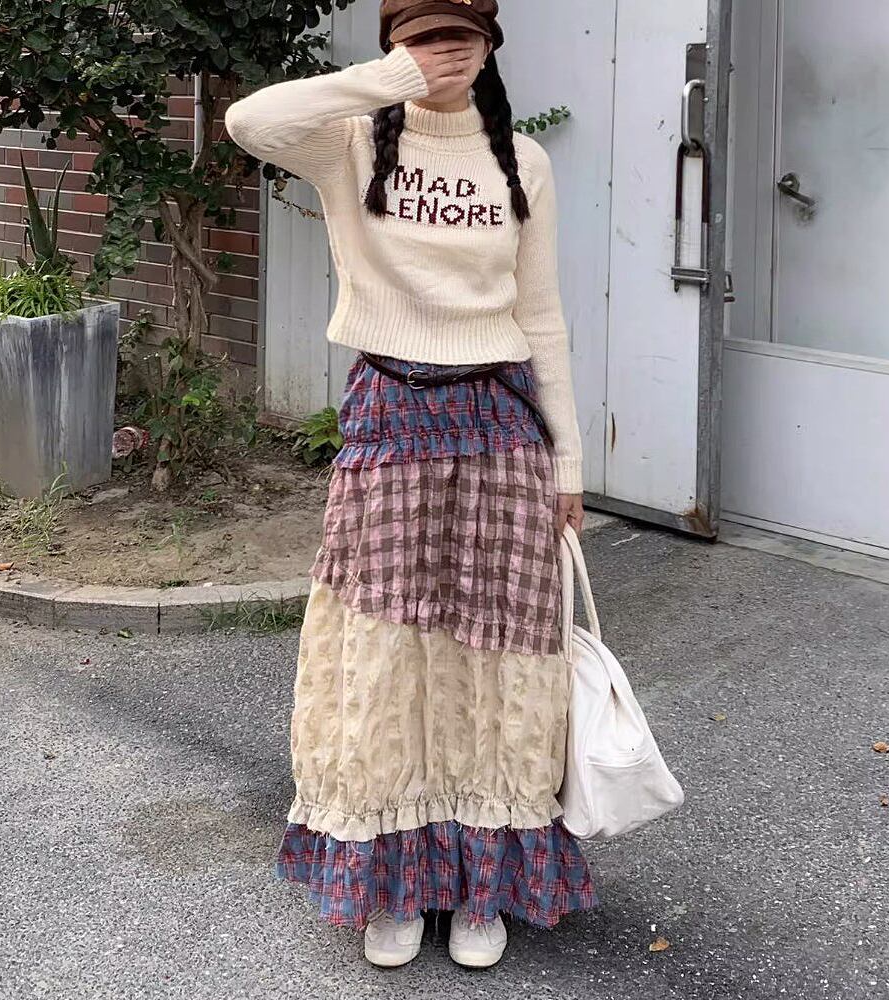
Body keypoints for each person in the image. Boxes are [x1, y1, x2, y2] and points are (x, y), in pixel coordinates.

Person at [225, 0, 593, 970]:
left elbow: (542, 314)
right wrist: (390, 80)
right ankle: (391, 881)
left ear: (490, 43)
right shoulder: (350, 142)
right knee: (384, 649)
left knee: (496, 652)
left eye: (462, 34)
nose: (445, 51)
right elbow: (251, 121)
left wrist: (567, 462)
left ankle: (480, 885)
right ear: (394, 42)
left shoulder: (523, 161)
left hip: (500, 419)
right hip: (391, 409)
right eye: (425, 33)